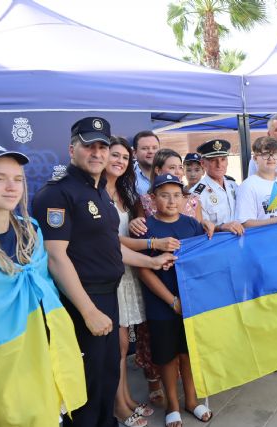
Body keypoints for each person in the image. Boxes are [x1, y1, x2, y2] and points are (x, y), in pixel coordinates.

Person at [32, 117, 175, 427]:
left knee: (107, 375)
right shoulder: (57, 194)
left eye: (102, 147)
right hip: (82, 301)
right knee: (86, 384)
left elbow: (112, 248)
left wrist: (152, 261)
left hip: (109, 297)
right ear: (72, 149)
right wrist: (88, 311)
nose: (97, 153)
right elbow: (55, 258)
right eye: (89, 146)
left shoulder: (101, 195)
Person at [0, 145, 86, 426]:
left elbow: (45, 286)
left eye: (17, 179)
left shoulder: (31, 230)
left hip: (44, 344)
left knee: (51, 413)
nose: (11, 187)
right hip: (0, 356)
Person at [105, 137, 177, 427]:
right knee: (118, 343)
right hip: (112, 271)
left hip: (129, 270)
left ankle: (125, 398)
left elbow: (131, 230)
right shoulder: (95, 194)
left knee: (123, 344)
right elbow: (107, 240)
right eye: (115, 155)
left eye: (124, 157)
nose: (120, 161)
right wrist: (152, 244)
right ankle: (118, 405)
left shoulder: (125, 192)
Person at [137, 174, 213, 427]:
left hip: (190, 302)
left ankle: (191, 400)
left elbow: (206, 254)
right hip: (162, 305)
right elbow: (144, 270)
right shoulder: (146, 228)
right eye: (164, 195)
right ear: (153, 198)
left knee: (188, 352)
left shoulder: (192, 225)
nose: (171, 201)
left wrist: (219, 226)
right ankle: (172, 403)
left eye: (177, 195)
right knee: (167, 356)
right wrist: (171, 301)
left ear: (184, 198)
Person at [236, 137, 277, 228]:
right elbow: (245, 223)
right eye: (265, 154)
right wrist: (276, 220)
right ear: (255, 159)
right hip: (262, 241)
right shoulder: (248, 186)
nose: (271, 158)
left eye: (274, 154)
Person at [192, 139, 244, 235]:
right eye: (213, 160)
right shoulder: (196, 193)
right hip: (217, 245)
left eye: (223, 159)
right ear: (203, 163)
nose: (219, 165)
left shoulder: (233, 185)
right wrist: (221, 227)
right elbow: (199, 228)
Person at [132, 131, 160, 196]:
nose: (151, 151)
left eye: (154, 148)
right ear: (135, 153)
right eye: (145, 148)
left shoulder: (168, 173)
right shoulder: (127, 177)